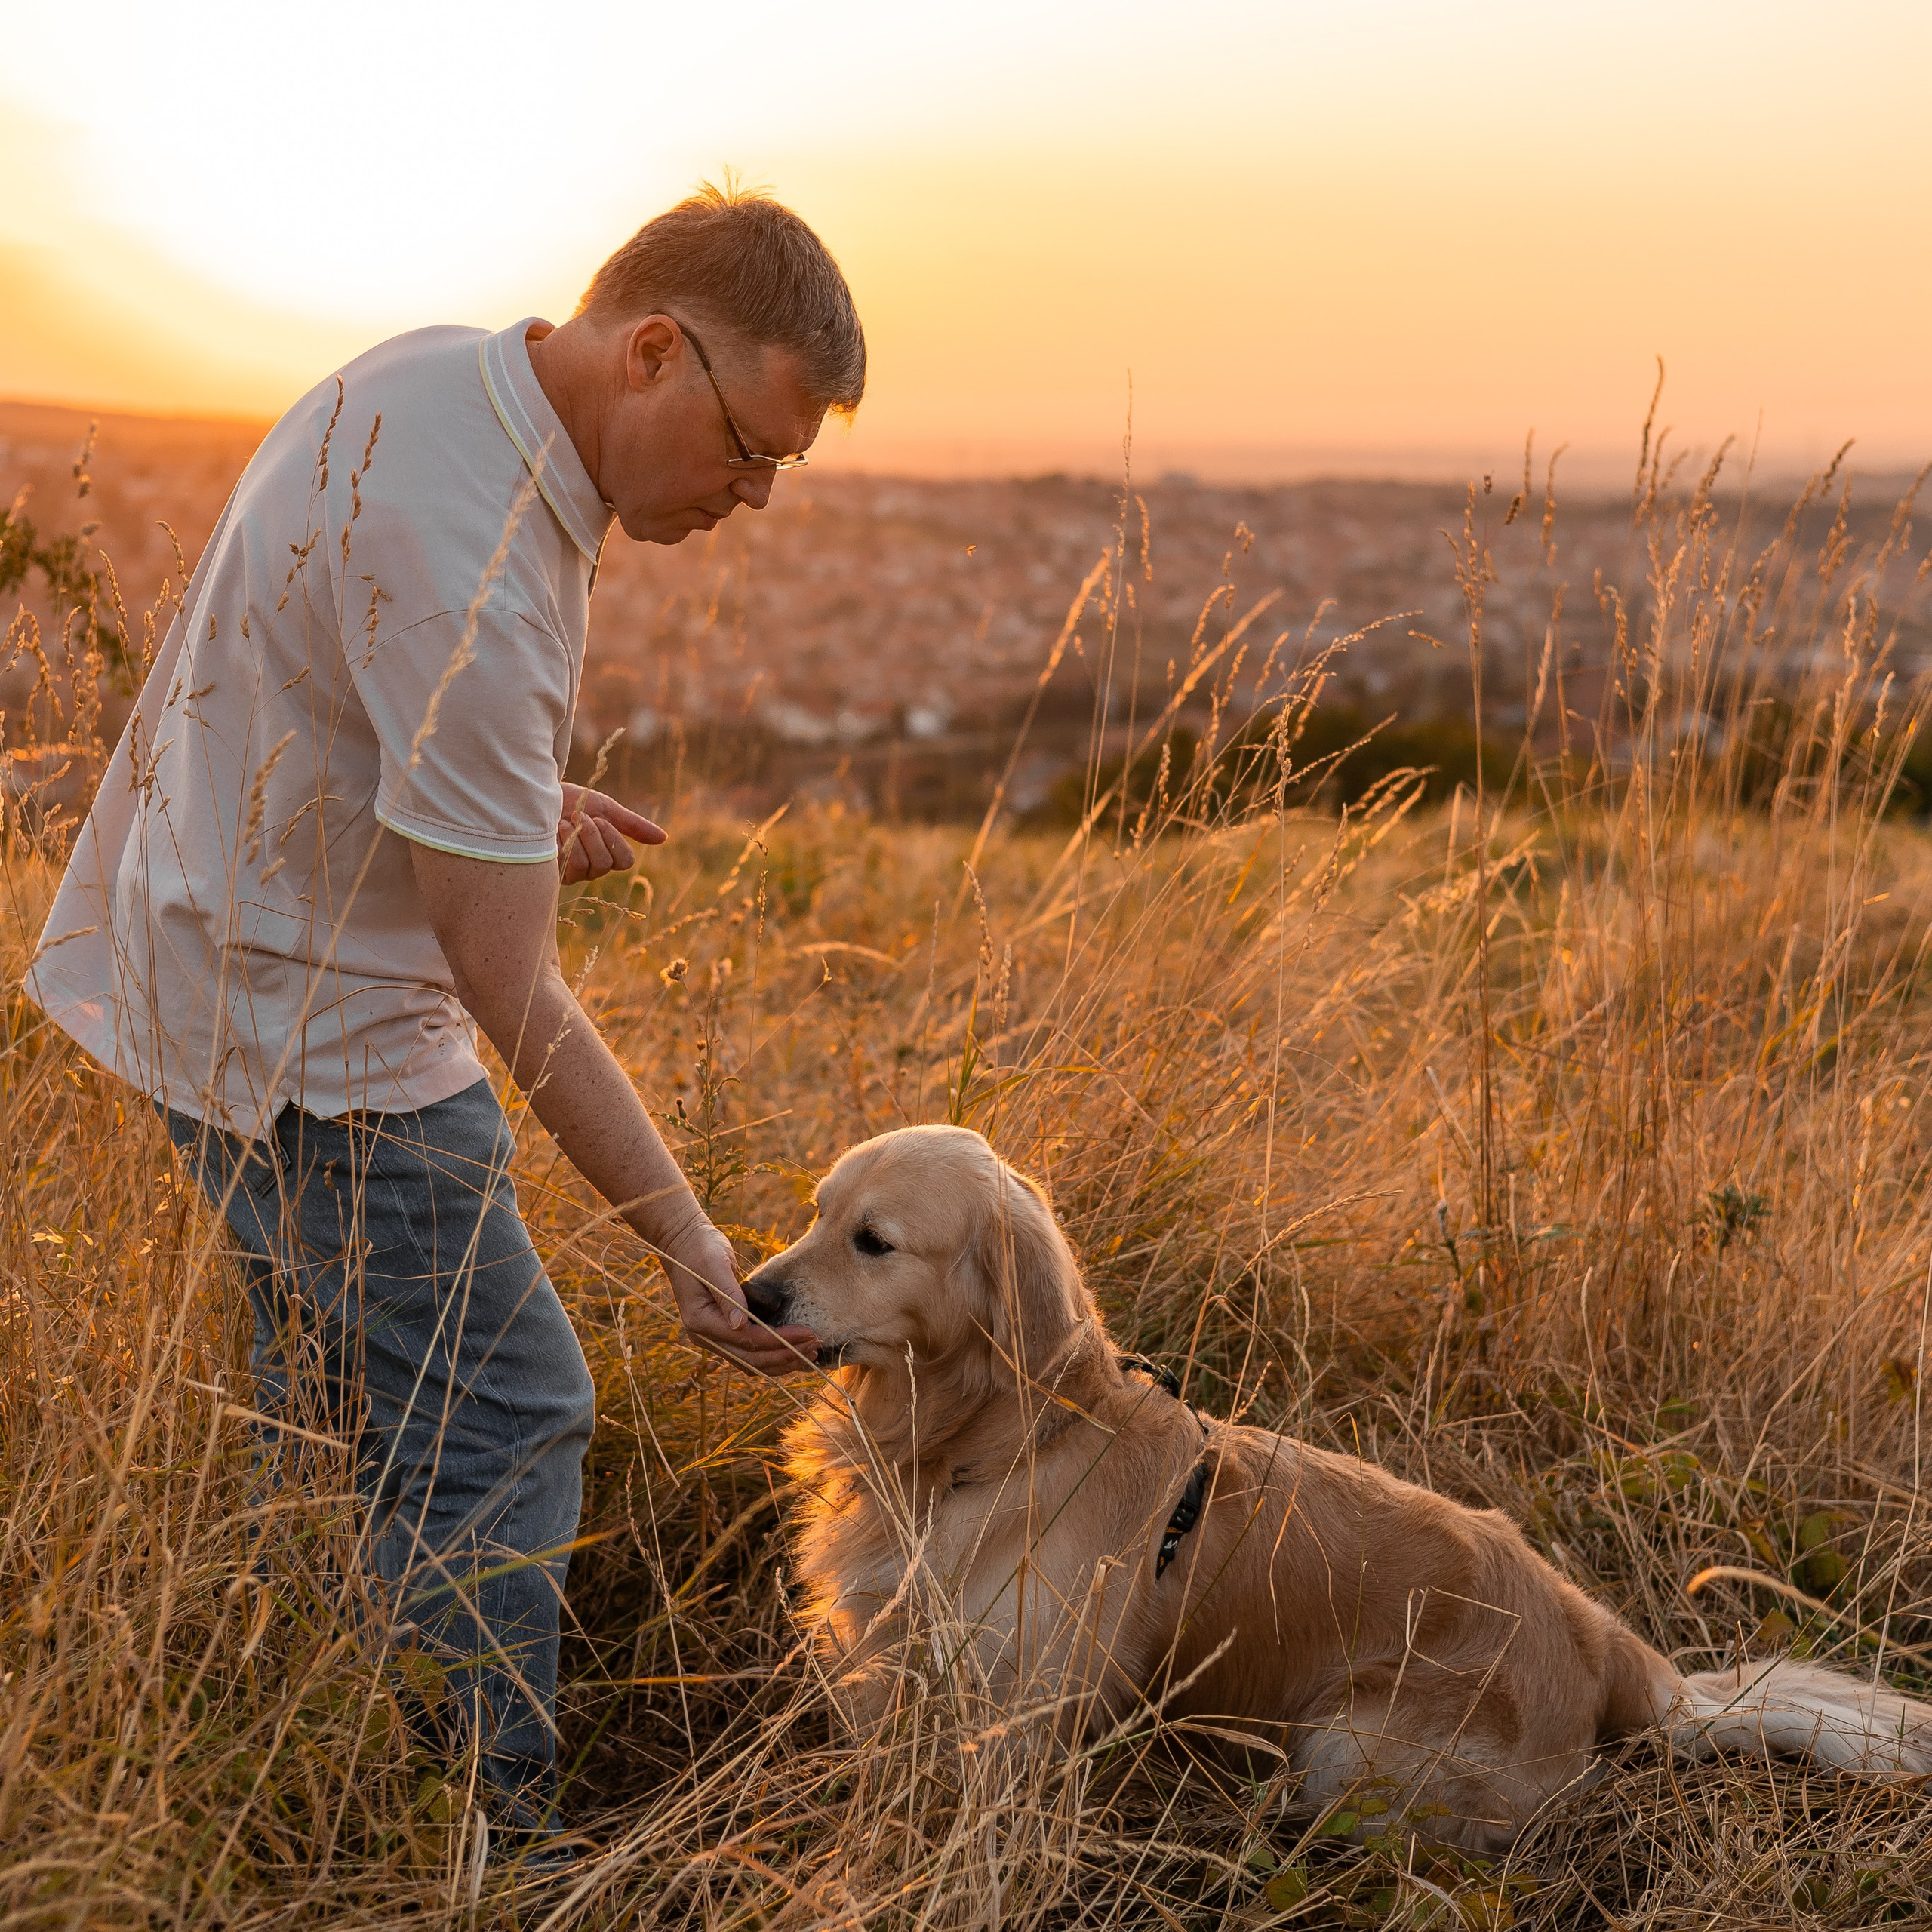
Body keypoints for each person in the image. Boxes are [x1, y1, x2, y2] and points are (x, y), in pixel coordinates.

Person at [24, 181, 848, 1845]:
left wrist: (509, 800)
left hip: (206, 964)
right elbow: (511, 989)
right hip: (319, 1042)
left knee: (327, 1401)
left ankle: (284, 1746)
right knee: (508, 1408)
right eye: (748, 449)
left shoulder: (436, 376)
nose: (752, 497)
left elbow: (344, 676)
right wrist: (691, 1246)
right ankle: (477, 1834)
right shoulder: (484, 567)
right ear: (651, 351)